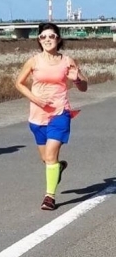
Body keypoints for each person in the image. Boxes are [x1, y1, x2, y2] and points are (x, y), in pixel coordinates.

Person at [15, 23, 87, 211]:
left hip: (60, 113)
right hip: (37, 115)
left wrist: (77, 78)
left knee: (50, 155)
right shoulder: (34, 61)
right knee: (47, 160)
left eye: (51, 36)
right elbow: (19, 83)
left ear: (58, 39)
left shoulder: (67, 61)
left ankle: (49, 197)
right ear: (39, 40)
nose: (47, 39)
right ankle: (58, 167)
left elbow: (83, 86)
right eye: (43, 37)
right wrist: (35, 99)